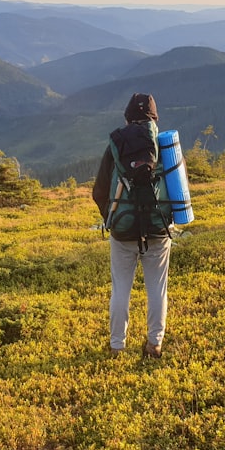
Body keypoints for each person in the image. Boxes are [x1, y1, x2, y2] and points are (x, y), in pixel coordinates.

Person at [92, 93, 171, 358]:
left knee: (121, 289)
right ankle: (154, 345)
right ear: (154, 118)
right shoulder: (164, 145)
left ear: (127, 117)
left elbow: (99, 191)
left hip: (122, 230)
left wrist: (111, 216)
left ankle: (117, 347)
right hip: (158, 230)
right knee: (157, 289)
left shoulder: (117, 145)